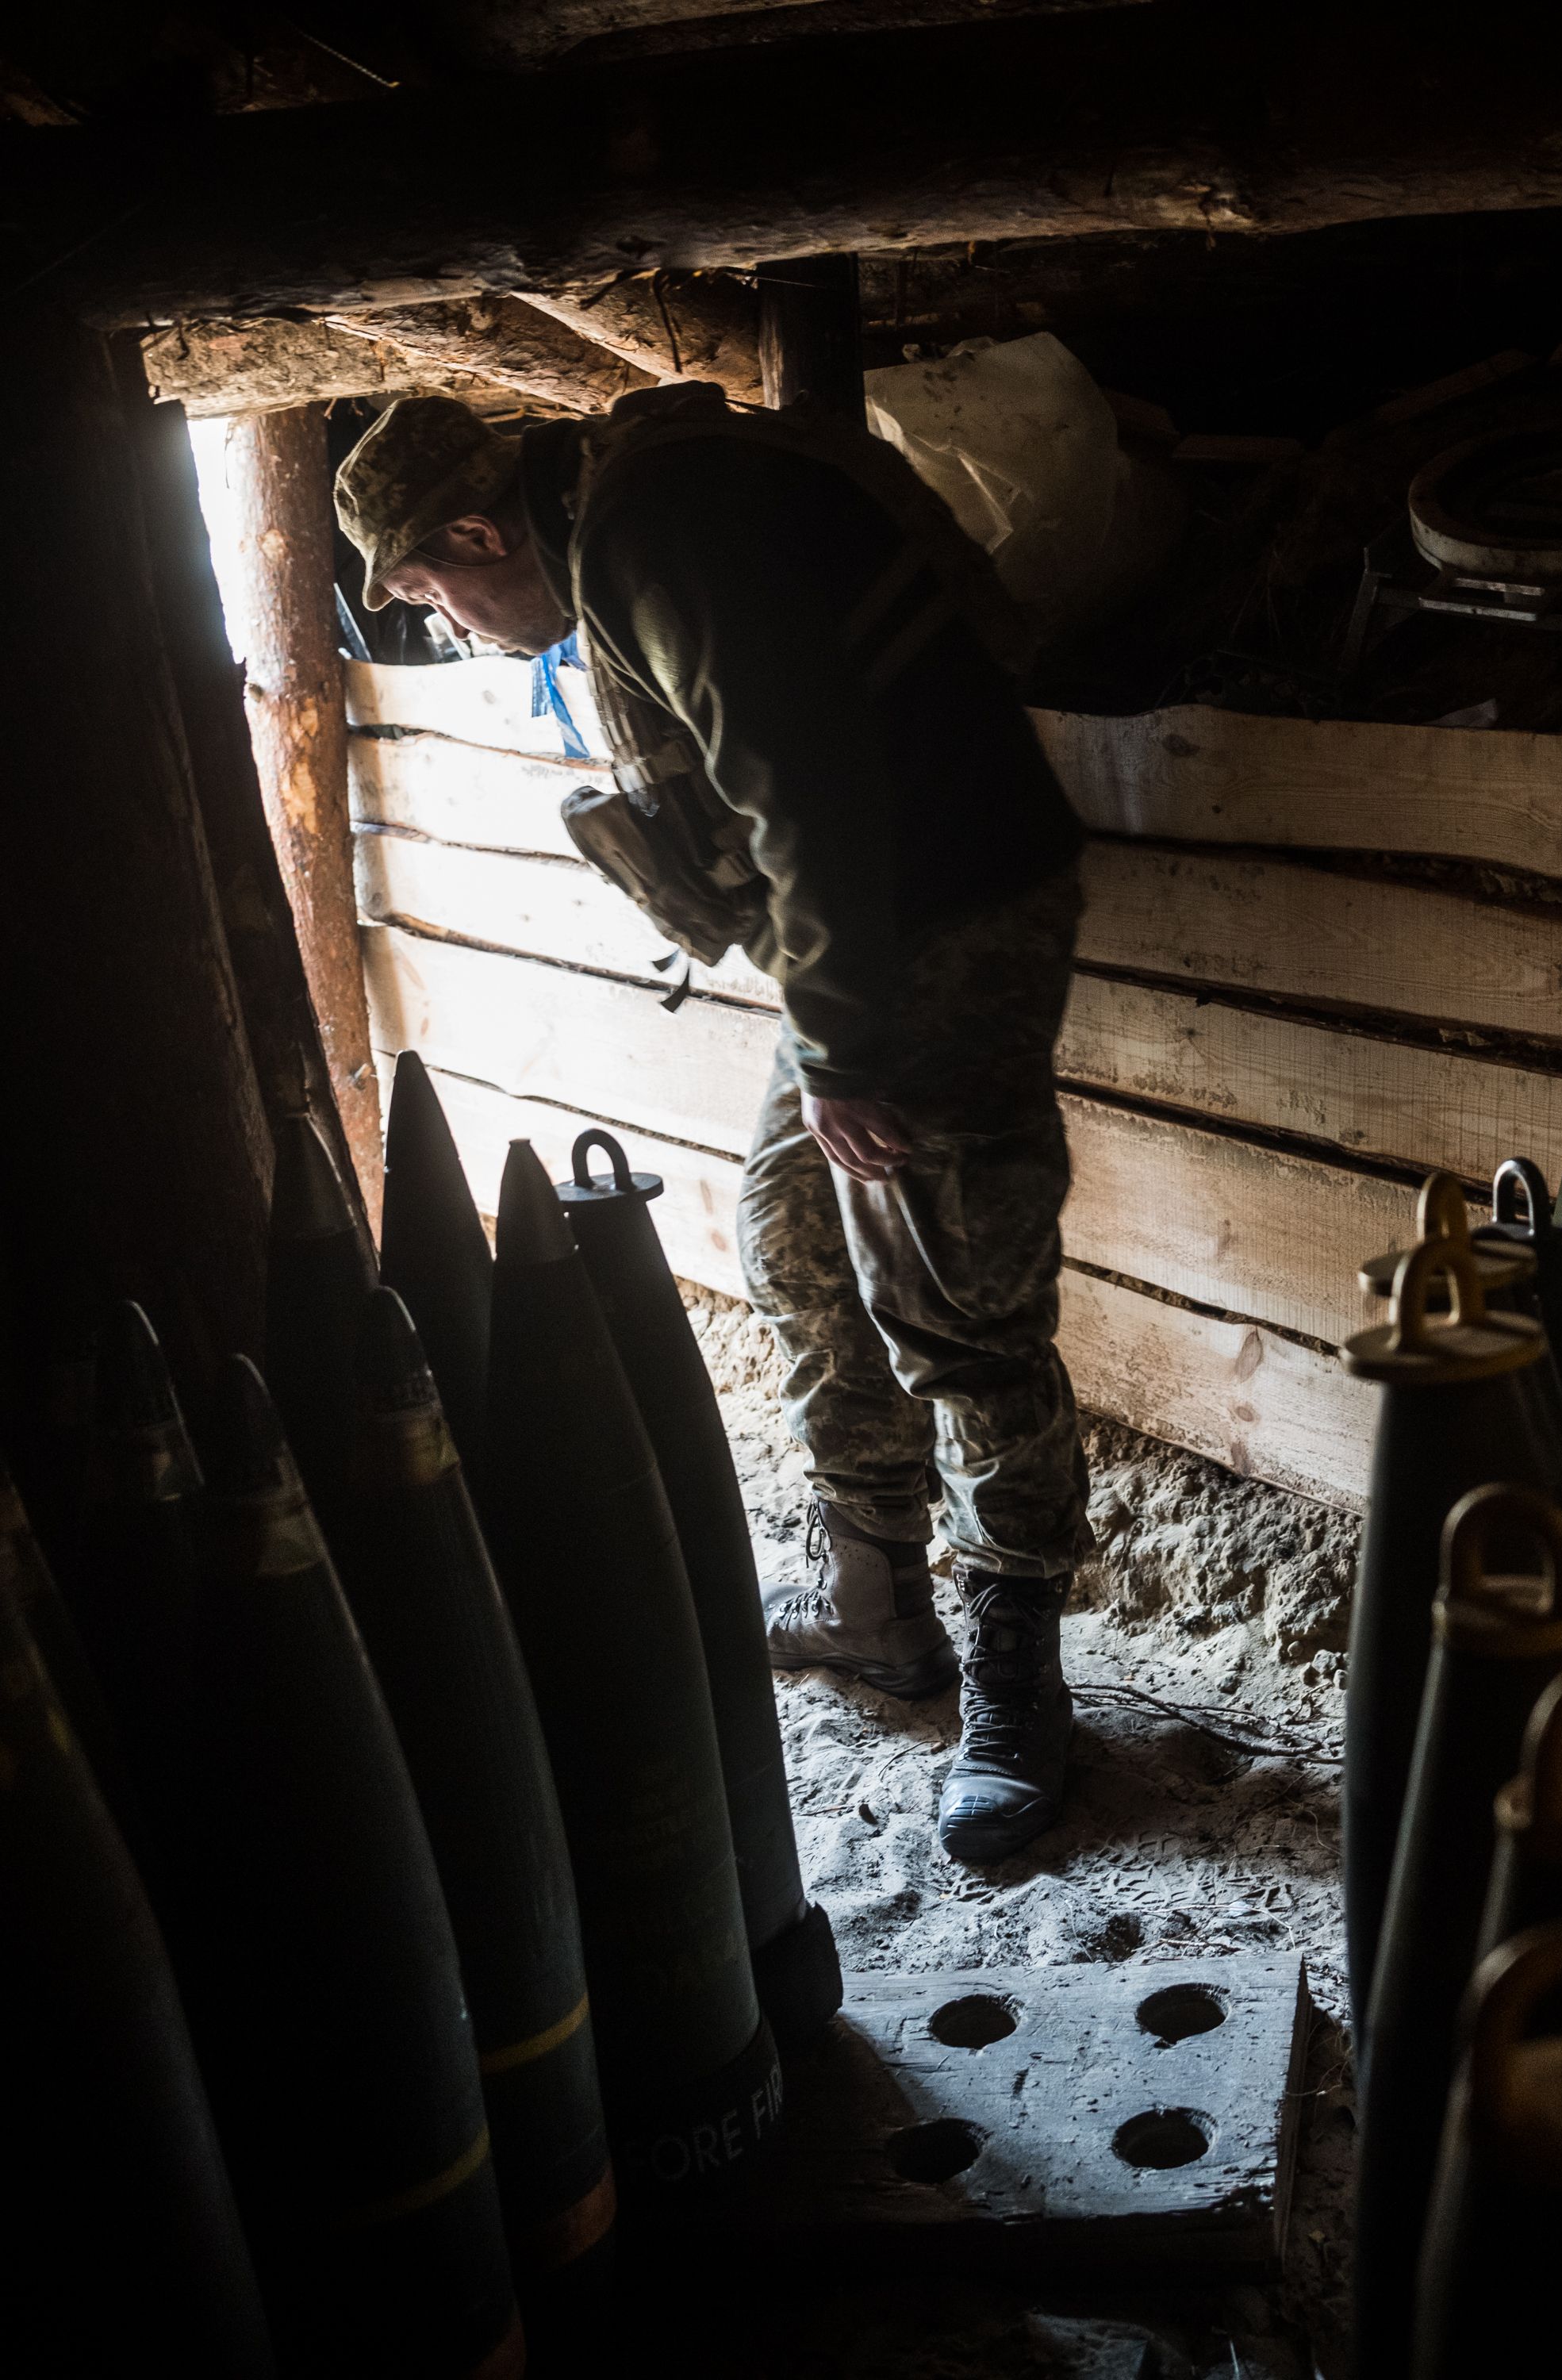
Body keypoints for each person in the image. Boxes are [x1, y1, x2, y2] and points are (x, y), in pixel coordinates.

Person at [336, 383, 1091, 1863]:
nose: (451, 625)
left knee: (959, 1304)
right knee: (792, 1229)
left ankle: (1019, 1677)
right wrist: (832, 1032)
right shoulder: (629, 521)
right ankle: (876, 1599)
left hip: (949, 911)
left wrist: (841, 1048)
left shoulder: (656, 530)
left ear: (479, 532)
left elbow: (805, 787)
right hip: (879, 928)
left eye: (429, 591)